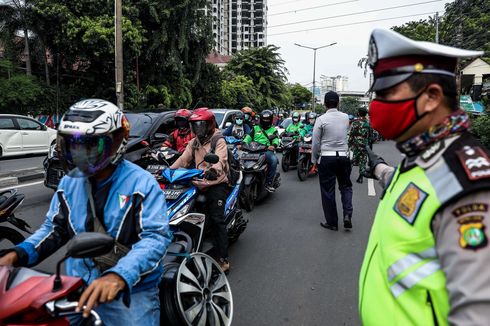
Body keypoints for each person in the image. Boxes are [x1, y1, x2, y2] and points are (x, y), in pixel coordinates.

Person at [359, 29, 490, 325]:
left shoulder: (466, 185)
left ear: (431, 97)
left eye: (385, 94)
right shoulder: (423, 156)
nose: (375, 106)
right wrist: (381, 170)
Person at [0, 99, 171, 325]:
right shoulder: (69, 183)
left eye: (89, 145)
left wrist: (119, 276)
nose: (78, 153)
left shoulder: (142, 184)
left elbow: (155, 239)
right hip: (75, 283)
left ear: (117, 141)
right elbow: (55, 229)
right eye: (73, 145)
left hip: (130, 290)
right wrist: (17, 254)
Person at [170, 108, 231, 273]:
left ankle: (223, 258)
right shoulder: (195, 141)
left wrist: (214, 170)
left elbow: (221, 159)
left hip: (215, 183)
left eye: (201, 125)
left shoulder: (218, 139)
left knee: (217, 219)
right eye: (195, 126)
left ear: (209, 125)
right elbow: (183, 159)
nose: (198, 130)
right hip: (197, 182)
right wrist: (167, 172)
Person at [312, 91, 353, 231]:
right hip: (343, 156)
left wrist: (314, 159)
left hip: (327, 158)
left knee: (328, 191)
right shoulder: (346, 117)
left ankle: (332, 223)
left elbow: (316, 143)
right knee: (346, 187)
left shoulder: (321, 119)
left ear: (324, 104)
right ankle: (347, 214)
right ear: (338, 103)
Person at [243, 110, 280, 193]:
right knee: (241, 160)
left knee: (273, 160)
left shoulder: (273, 130)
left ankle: (268, 183)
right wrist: (243, 143)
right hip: (253, 150)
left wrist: (273, 145)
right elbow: (248, 137)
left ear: (270, 120)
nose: (265, 121)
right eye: (264, 119)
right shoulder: (255, 128)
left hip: (266, 151)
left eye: (267, 119)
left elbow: (276, 139)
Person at [348, 107, 372, 184]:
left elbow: (351, 134)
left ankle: (347, 177)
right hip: (364, 145)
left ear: (358, 113)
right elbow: (370, 136)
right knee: (363, 161)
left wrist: (349, 144)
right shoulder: (368, 124)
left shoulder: (355, 123)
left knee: (352, 161)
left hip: (355, 145)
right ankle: (360, 177)